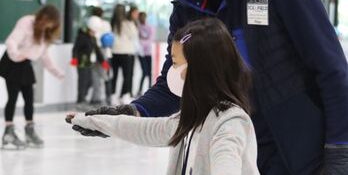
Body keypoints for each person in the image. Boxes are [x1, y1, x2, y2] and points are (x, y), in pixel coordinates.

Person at [69, 0, 348, 174]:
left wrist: (339, 150)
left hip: (304, 152)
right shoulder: (187, 6)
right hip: (240, 147)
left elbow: (332, 69)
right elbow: (176, 82)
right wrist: (132, 112)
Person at [67, 18, 259, 175]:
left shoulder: (229, 123)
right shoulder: (193, 117)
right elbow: (147, 129)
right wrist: (97, 121)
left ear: (200, 68)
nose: (171, 72)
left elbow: (226, 164)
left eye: (175, 63)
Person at [0, 4, 64, 149]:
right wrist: (16, 55)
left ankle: (29, 130)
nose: (50, 25)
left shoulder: (45, 33)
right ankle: (8, 133)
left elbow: (44, 56)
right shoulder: (27, 22)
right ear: (44, 17)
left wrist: (57, 72)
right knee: (13, 97)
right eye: (49, 21)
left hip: (25, 64)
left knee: (29, 98)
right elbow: (12, 41)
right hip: (12, 63)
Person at [70, 16, 110, 108]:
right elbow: (75, 49)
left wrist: (103, 62)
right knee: (82, 82)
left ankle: (83, 98)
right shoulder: (81, 37)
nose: (94, 33)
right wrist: (74, 58)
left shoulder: (93, 38)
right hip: (82, 63)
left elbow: (97, 51)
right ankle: (80, 100)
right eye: (93, 31)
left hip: (89, 63)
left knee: (90, 81)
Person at [110, 4, 139, 104]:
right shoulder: (127, 23)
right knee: (127, 75)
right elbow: (134, 35)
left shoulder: (112, 22)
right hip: (126, 52)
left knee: (114, 75)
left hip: (114, 52)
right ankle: (124, 95)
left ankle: (113, 95)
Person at [137, 12, 154, 97]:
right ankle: (139, 90)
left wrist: (142, 41)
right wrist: (143, 41)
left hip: (148, 53)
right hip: (141, 54)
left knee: (149, 72)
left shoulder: (150, 27)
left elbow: (150, 39)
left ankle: (150, 88)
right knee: (144, 72)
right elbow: (137, 40)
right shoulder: (137, 27)